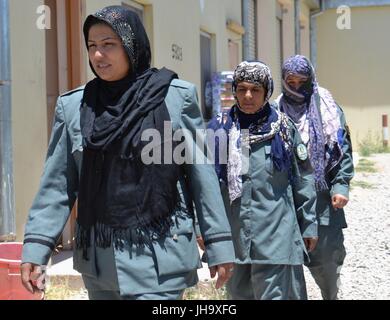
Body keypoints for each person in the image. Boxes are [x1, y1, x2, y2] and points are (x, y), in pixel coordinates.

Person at [20, 5, 235, 300]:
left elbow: (202, 176)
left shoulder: (174, 98)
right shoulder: (74, 107)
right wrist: (36, 248)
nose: (98, 55)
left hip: (161, 256)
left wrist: (218, 243)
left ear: (132, 44)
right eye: (92, 46)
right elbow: (58, 184)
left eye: (109, 45)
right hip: (101, 265)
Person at [206, 61, 318, 300]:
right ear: (234, 90)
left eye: (255, 90)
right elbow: (204, 187)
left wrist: (309, 224)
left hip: (276, 236)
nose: (247, 96)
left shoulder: (285, 130)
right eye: (242, 89)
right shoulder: (218, 131)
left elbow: (304, 180)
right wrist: (201, 229)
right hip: (234, 240)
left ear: (267, 91)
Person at [275, 55, 354, 300]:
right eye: (291, 81)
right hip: (286, 204)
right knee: (287, 274)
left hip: (322, 203)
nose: (297, 87)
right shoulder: (273, 112)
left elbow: (343, 151)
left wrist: (340, 185)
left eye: (302, 81)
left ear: (311, 79)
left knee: (328, 266)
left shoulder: (328, 109)